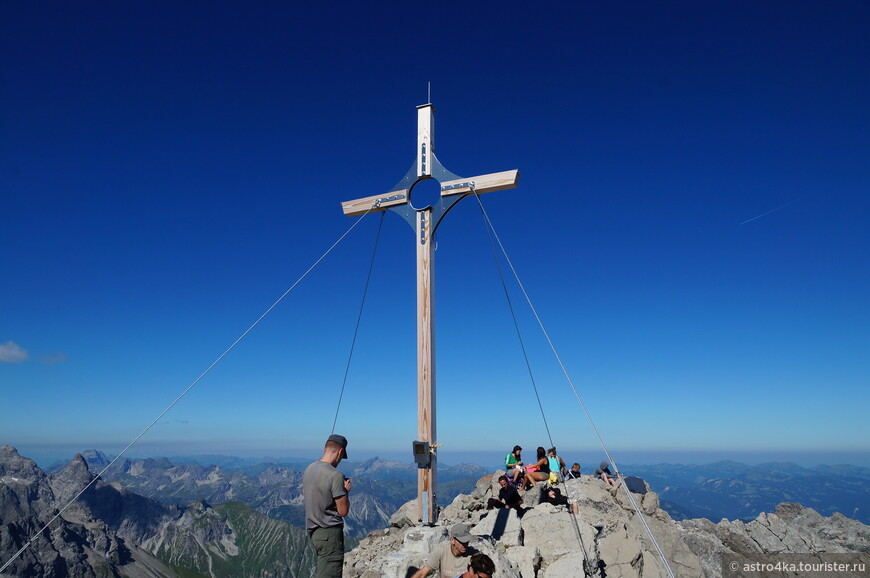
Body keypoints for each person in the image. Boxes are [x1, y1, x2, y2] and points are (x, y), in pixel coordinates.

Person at [303, 434, 352, 578]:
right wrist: (345, 491)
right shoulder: (335, 474)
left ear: (325, 449)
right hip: (329, 534)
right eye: (341, 457)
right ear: (340, 452)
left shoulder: (309, 469)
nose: (340, 461)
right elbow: (343, 511)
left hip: (314, 532)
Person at [411, 523, 477, 578]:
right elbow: (423, 573)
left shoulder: (475, 556)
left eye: (467, 541)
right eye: (462, 541)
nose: (465, 544)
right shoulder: (442, 552)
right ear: (452, 540)